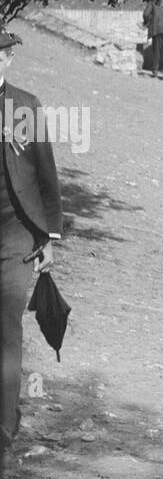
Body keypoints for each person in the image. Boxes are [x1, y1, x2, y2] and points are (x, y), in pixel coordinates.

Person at [0, 29, 62, 452]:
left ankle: (3, 427)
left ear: (7, 60)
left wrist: (49, 236)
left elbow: (46, 176)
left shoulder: (24, 106)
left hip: (16, 232)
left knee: (6, 326)